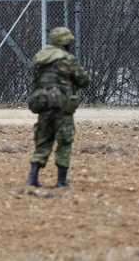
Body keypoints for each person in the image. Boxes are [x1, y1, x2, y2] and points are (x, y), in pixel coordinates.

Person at [28, 26, 91, 188]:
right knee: (64, 140)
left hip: (43, 104)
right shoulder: (67, 59)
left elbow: (35, 81)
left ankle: (33, 177)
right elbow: (84, 80)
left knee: (42, 140)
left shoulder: (39, 58)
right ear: (65, 42)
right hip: (62, 106)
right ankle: (61, 181)